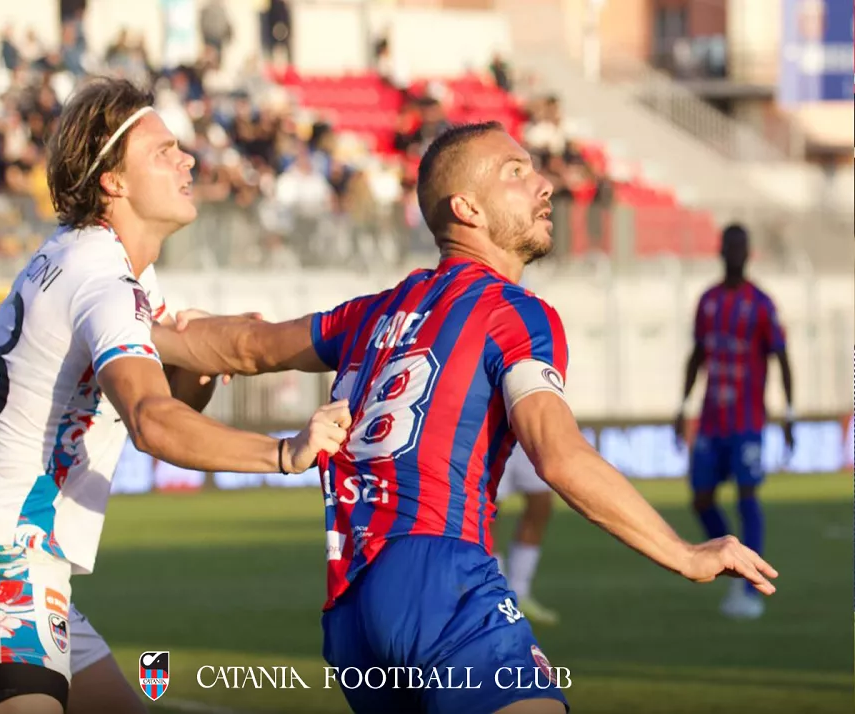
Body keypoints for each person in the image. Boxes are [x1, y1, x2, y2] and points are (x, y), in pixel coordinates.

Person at [154, 122, 778, 714]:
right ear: (467, 210)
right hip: (441, 577)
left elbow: (246, 345)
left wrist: (140, 329)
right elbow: (559, 456)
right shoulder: (514, 313)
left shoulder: (372, 313)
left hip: (349, 613)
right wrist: (684, 553)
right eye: (515, 172)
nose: (544, 185)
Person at [0, 77, 350, 714]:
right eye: (162, 150)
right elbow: (152, 420)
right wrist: (285, 453)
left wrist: (207, 364)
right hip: (7, 555)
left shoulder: (105, 265)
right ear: (112, 182)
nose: (189, 159)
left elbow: (198, 364)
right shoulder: (105, 281)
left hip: (17, 555)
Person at [675, 223, 793, 620]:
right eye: (729, 246)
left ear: (749, 252)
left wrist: (789, 413)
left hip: (747, 422)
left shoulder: (761, 303)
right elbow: (697, 356)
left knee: (747, 497)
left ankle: (749, 588)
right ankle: (732, 552)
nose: (735, 253)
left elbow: (781, 357)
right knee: (701, 498)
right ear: (721, 250)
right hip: (711, 420)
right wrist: (682, 405)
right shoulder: (708, 301)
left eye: (741, 247)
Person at [494, 443, 560, 626]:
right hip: (490, 429)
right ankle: (497, 597)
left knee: (541, 503)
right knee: (488, 510)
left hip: (525, 432)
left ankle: (520, 593)